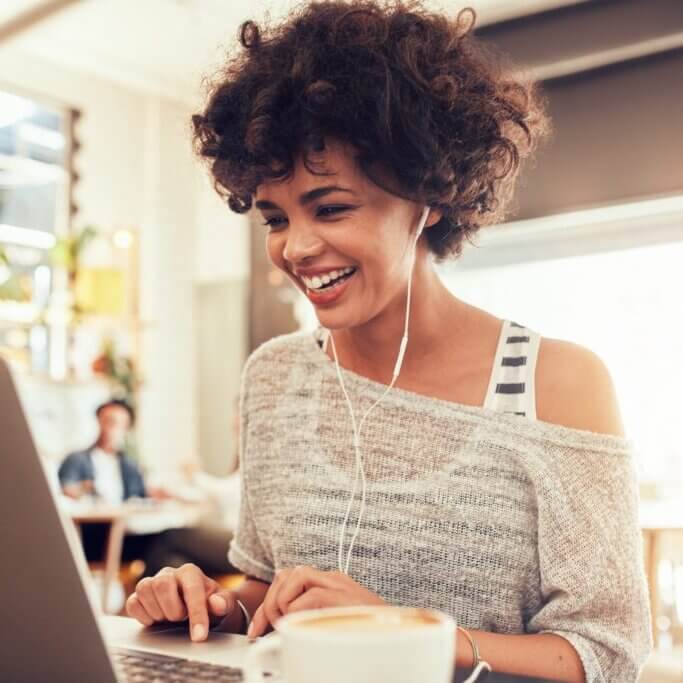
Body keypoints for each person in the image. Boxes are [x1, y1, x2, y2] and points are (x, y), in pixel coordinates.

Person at [126, 2, 652, 681]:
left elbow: (605, 655)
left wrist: (405, 634)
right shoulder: (274, 376)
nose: (297, 247)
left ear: (429, 193)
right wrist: (210, 607)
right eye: (275, 217)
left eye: (331, 206)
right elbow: (267, 596)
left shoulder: (556, 382)